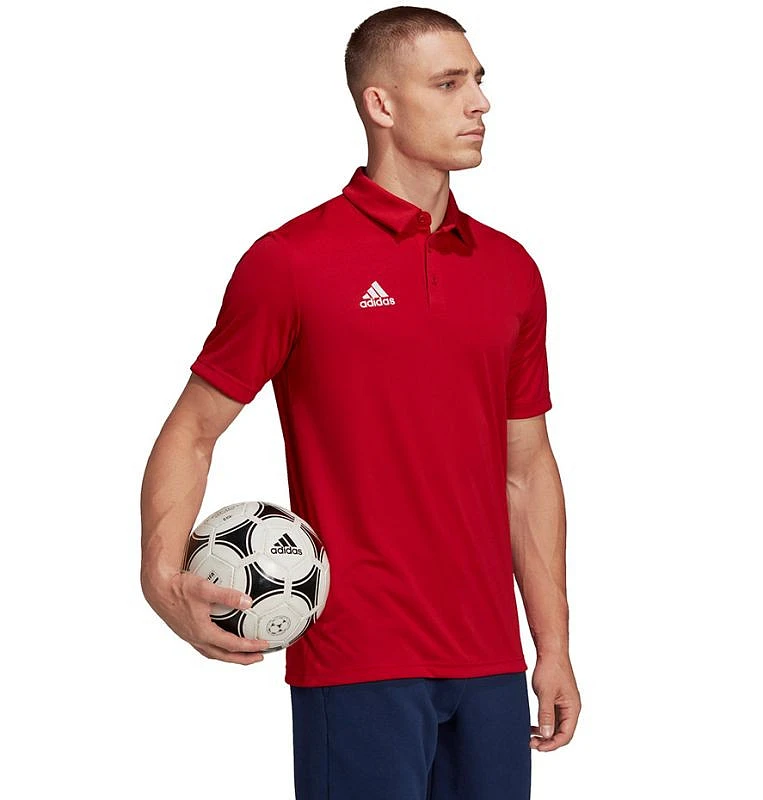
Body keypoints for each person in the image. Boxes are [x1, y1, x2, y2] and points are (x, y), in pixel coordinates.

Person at [140, 5, 580, 798]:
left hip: (490, 664)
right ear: (381, 104)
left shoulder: (511, 270)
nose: (480, 102)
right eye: (448, 84)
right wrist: (161, 579)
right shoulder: (292, 262)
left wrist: (553, 645)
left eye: (478, 80)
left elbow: (528, 469)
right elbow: (193, 430)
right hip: (357, 662)